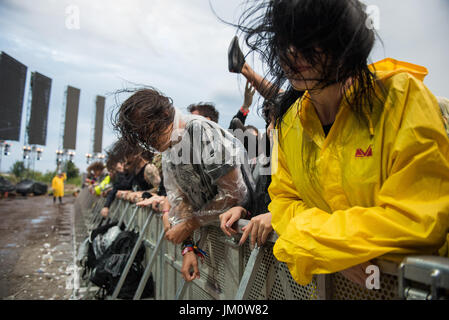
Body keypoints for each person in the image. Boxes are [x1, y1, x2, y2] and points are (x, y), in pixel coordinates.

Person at [233, 0, 449, 287]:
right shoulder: (289, 124)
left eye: (311, 37)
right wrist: (336, 251)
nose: (292, 51)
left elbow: (419, 220)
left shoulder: (402, 99)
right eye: (286, 38)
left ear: (345, 40)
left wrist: (320, 248)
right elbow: (283, 202)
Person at [113, 87, 255, 282]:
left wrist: (189, 225)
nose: (150, 142)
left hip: (249, 239)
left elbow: (235, 193)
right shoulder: (169, 149)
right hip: (218, 243)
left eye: (150, 133)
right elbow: (180, 201)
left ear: (164, 115)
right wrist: (187, 247)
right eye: (143, 139)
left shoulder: (199, 130)